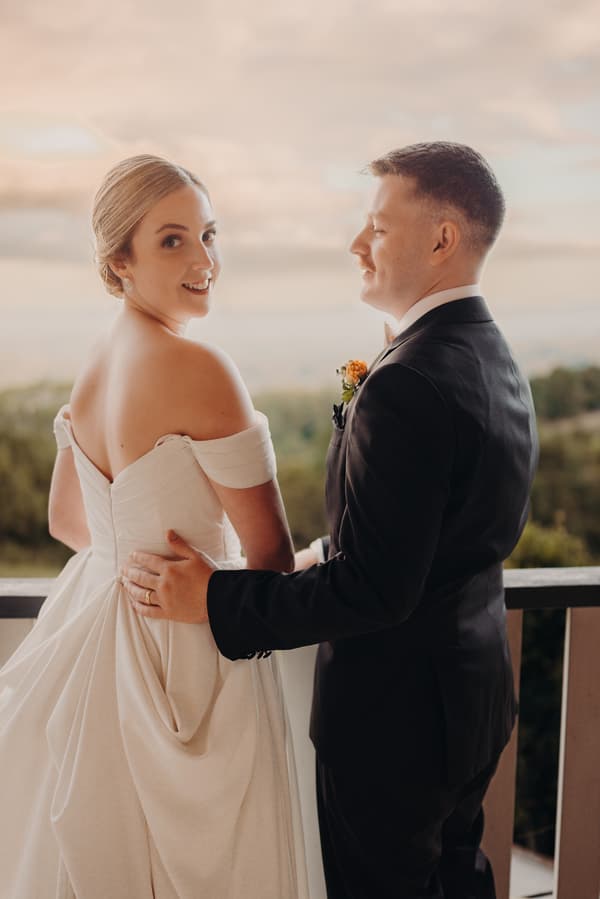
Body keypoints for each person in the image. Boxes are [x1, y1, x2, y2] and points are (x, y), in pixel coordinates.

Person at [122, 142, 539, 898]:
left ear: (442, 239)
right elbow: (434, 532)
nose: (356, 244)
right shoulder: (489, 353)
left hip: (396, 724)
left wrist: (213, 598)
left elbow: (376, 592)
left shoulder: (408, 379)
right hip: (469, 694)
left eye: (377, 228)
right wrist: (324, 550)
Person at [0, 154, 308, 899]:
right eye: (173, 240)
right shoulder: (200, 367)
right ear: (119, 260)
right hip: (185, 650)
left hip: (95, 629)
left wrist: (127, 560)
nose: (205, 259)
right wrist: (200, 579)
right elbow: (271, 558)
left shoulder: (97, 359)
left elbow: (67, 519)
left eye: (208, 233)